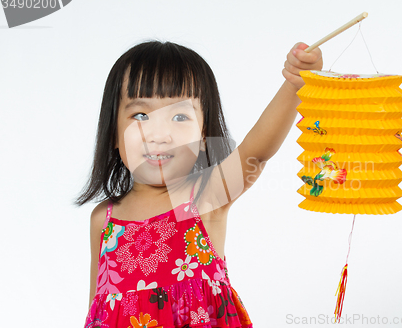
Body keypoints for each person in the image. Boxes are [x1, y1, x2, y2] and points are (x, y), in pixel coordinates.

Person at [75, 39, 322, 328]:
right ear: (113, 133)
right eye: (140, 115)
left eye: (179, 116)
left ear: (204, 136)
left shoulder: (203, 196)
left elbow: (257, 151)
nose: (160, 134)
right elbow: (97, 311)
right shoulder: (104, 220)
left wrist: (296, 84)